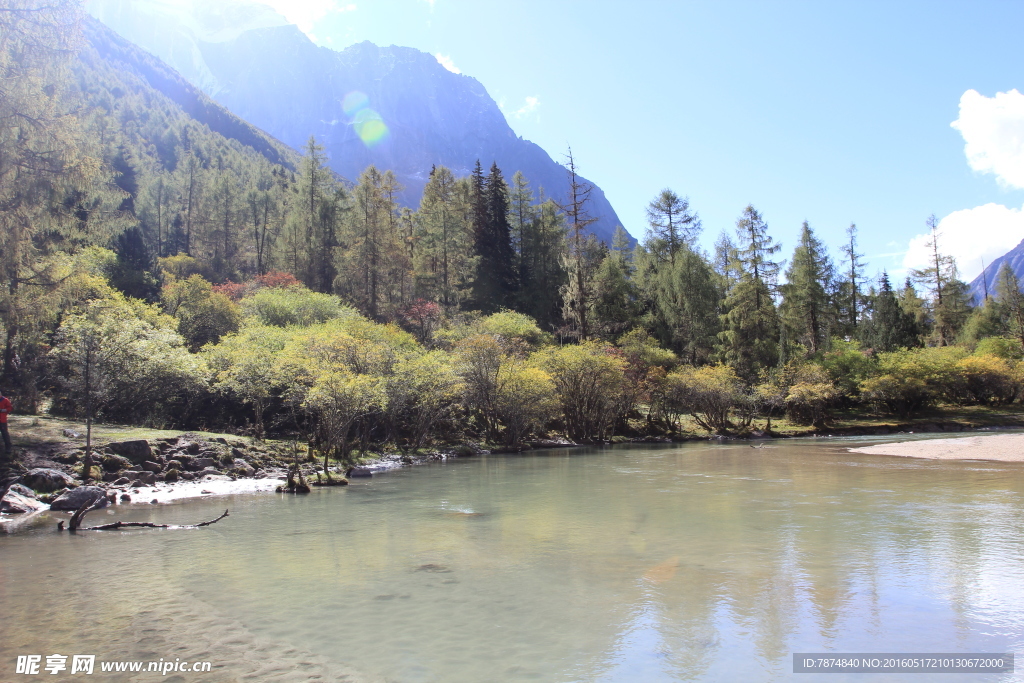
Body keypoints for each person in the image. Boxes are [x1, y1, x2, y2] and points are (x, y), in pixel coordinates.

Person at [0, 390, 11, 459]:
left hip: (2, 420)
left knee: (5, 434)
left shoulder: (5, 400)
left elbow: (9, 408)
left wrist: (1, 410)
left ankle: (8, 448)